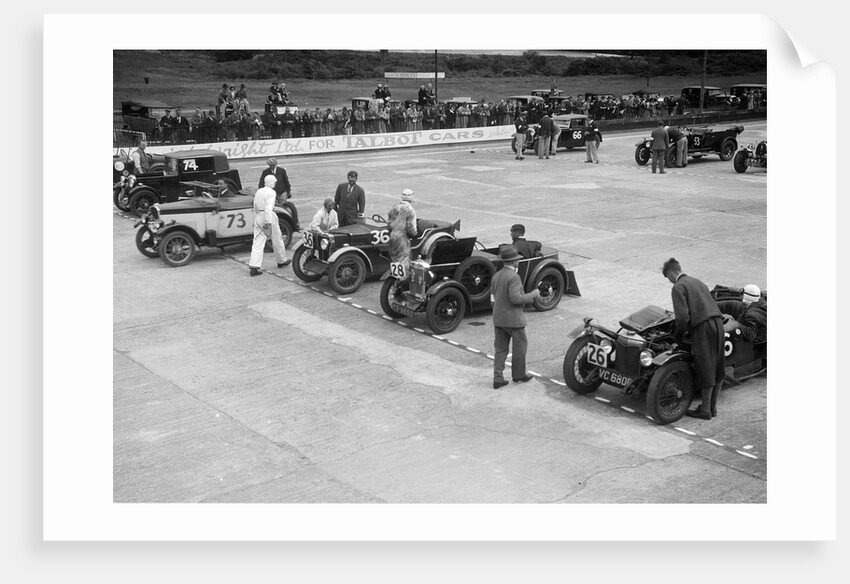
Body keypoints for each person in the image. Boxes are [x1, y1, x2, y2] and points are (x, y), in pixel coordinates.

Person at [662, 258, 725, 420]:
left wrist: (677, 335)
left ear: (671, 272)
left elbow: (682, 318)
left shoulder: (678, 287)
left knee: (705, 367)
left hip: (703, 328)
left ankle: (704, 411)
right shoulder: (697, 281)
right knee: (717, 365)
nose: (669, 281)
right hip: (718, 324)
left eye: (667, 278)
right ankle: (713, 408)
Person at [491, 245, 542, 389]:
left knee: (500, 350)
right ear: (514, 261)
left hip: (499, 318)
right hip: (514, 320)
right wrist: (533, 294)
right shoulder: (514, 277)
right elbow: (516, 298)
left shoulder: (496, 276)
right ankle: (518, 374)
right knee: (520, 348)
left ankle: (498, 378)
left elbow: (493, 296)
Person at [248, 175, 290, 276]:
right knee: (277, 238)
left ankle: (254, 265)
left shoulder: (259, 191)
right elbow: (268, 207)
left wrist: (258, 216)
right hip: (269, 217)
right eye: (274, 182)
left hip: (258, 216)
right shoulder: (271, 192)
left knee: (258, 241)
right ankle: (281, 260)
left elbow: (255, 205)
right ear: (271, 183)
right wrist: (267, 222)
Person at [387, 189, 419, 279]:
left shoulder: (394, 207)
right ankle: (402, 281)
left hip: (393, 235)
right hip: (402, 237)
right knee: (403, 259)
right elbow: (410, 228)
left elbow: (389, 225)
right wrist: (415, 234)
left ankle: (394, 278)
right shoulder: (410, 210)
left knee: (394, 258)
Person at [258, 157, 298, 225]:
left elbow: (286, 181)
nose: (272, 167)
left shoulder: (282, 170)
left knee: (283, 208)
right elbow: (261, 183)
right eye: (271, 165)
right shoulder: (265, 172)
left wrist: (288, 191)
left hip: (282, 192)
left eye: (273, 165)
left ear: (276, 164)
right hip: (272, 193)